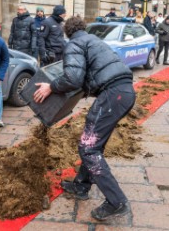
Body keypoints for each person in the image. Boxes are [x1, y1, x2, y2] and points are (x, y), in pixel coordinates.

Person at [34, 16, 135, 221]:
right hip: (123, 92)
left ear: (67, 32)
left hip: (113, 95)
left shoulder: (74, 44)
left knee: (88, 148)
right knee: (93, 145)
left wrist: (50, 86)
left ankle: (117, 202)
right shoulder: (93, 40)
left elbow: (73, 78)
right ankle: (81, 185)